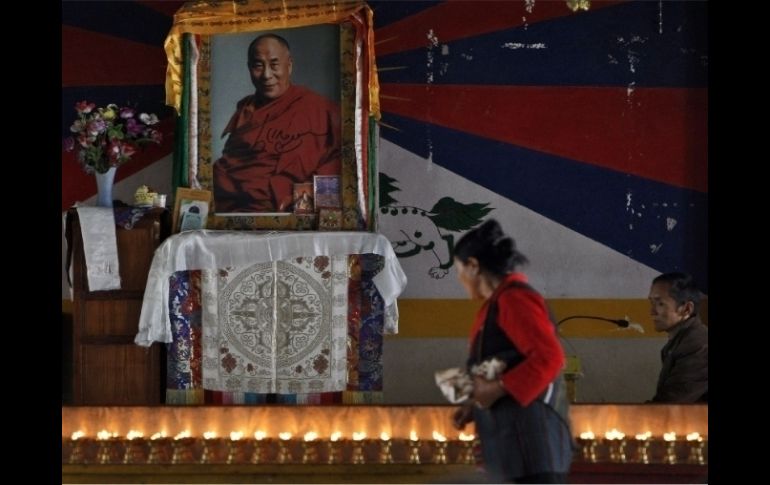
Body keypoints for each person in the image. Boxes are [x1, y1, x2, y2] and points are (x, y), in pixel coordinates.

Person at [451, 219, 573, 484]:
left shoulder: (515, 299)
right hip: (513, 445)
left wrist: (495, 389)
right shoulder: (494, 305)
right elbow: (507, 361)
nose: (459, 279)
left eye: (459, 270)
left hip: (533, 444)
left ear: (473, 266)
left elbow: (549, 358)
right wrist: (473, 403)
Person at [213, 33, 341, 213]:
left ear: (289, 65)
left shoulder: (320, 109)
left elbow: (339, 164)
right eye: (258, 66)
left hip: (295, 212)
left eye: (274, 65)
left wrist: (303, 198)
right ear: (249, 68)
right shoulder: (246, 111)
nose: (266, 75)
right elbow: (229, 169)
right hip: (239, 212)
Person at [648, 272, 708, 403]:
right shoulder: (681, 341)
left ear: (686, 309)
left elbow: (671, 405)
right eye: (652, 303)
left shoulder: (698, 346)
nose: (652, 312)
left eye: (660, 304)